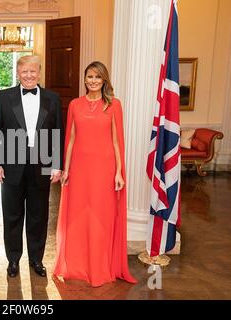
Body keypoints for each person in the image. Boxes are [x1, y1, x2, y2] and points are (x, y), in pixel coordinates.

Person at [53, 61, 137, 287]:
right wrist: (66, 169)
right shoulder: (74, 105)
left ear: (104, 80)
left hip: (104, 169)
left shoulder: (113, 105)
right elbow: (70, 140)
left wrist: (119, 172)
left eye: (97, 77)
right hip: (79, 169)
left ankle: (99, 267)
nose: (92, 81)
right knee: (79, 216)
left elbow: (117, 141)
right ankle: (79, 266)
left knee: (101, 217)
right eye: (89, 76)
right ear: (84, 79)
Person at [0, 55, 64, 278]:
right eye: (24, 72)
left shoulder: (53, 98)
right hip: (11, 164)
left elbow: (58, 131)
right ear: (18, 73)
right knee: (12, 215)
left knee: (38, 215)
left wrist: (57, 165)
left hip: (42, 163)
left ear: (39, 73)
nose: (29, 76)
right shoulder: (3, 97)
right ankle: (13, 260)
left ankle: (36, 260)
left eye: (33, 71)